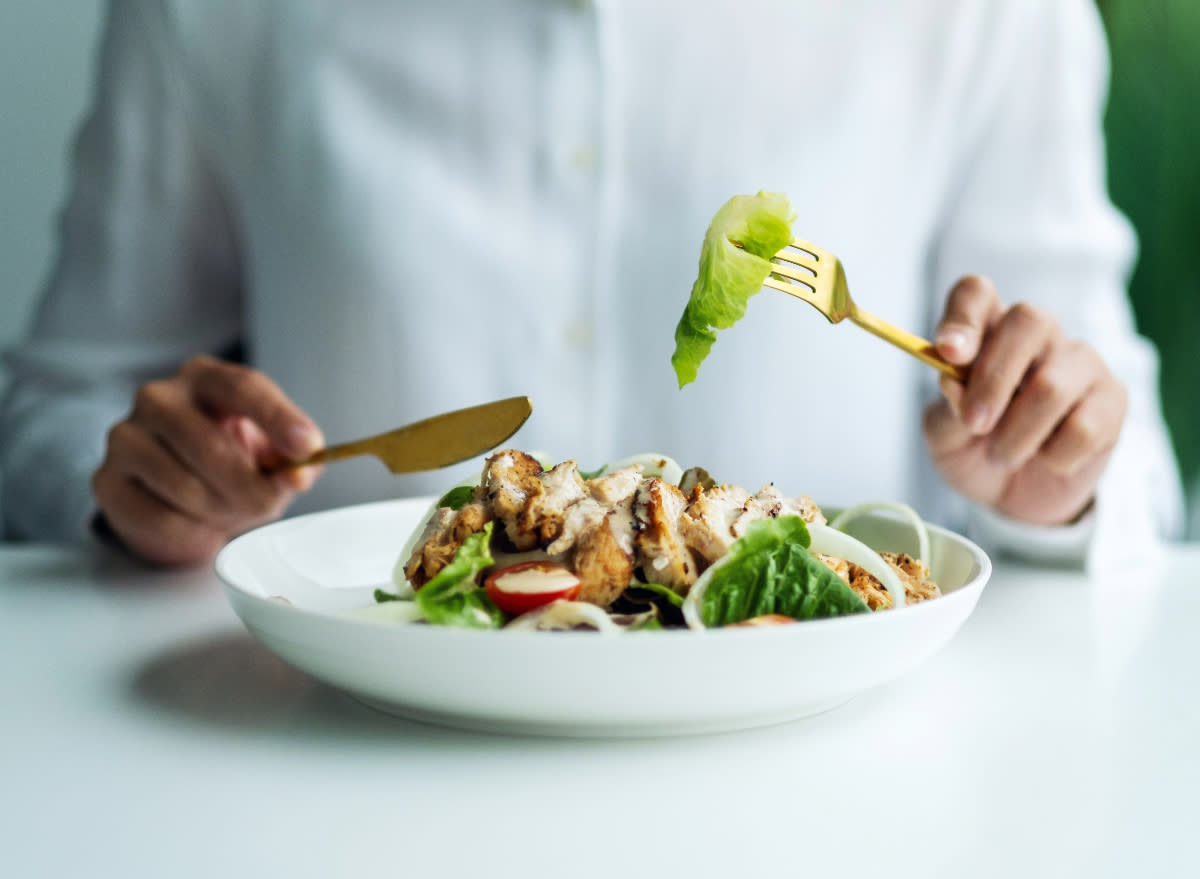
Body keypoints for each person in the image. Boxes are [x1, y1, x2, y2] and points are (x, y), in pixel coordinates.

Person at [0, 0, 1184, 567]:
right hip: (334, 774)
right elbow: (58, 412)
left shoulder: (989, 16)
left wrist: (1058, 471)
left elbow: (1134, 479)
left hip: (841, 803)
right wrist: (135, 488)